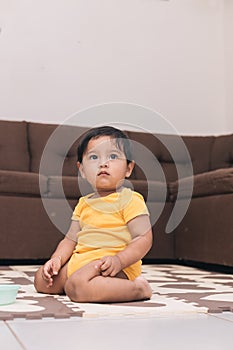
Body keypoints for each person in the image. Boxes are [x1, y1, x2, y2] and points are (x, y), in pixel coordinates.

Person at [34, 126, 153, 303]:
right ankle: (81, 283)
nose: (103, 163)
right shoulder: (84, 203)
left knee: (77, 287)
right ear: (82, 170)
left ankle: (138, 288)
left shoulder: (130, 199)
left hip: (112, 266)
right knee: (41, 280)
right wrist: (56, 260)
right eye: (94, 157)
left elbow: (143, 238)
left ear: (129, 168)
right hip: (81, 263)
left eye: (112, 156)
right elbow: (69, 240)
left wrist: (119, 261)